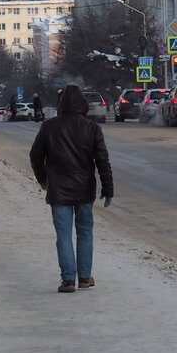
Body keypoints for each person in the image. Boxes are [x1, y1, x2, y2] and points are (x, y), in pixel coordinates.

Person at [29, 85, 113, 293]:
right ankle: (85, 277)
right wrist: (108, 188)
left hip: (58, 189)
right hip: (85, 188)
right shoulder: (92, 127)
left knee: (63, 234)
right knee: (85, 232)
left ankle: (68, 280)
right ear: (83, 104)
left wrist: (43, 179)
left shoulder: (49, 127)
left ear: (60, 104)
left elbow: (35, 156)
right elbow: (103, 160)